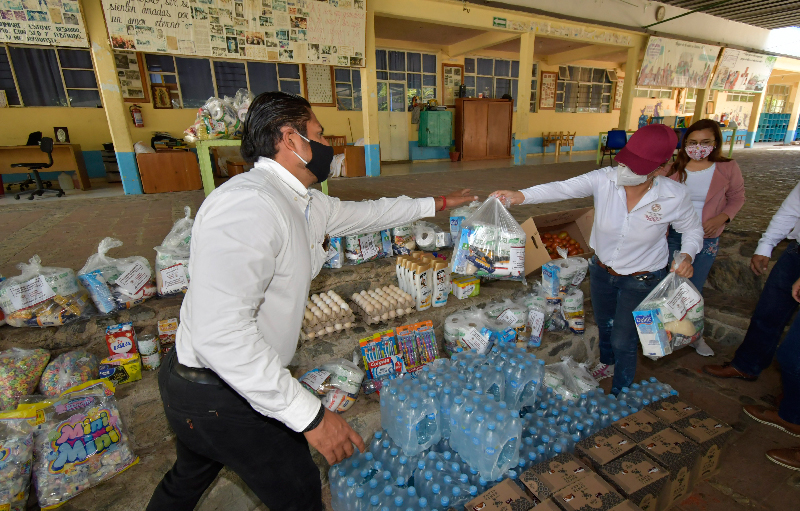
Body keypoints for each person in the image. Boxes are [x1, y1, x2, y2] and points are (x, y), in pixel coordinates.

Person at [146, 92, 478, 511]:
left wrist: (442, 203)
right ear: (290, 140)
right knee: (300, 491)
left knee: (187, 479)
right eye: (318, 135)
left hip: (217, 390)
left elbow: (374, 213)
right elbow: (221, 334)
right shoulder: (249, 205)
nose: (327, 147)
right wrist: (313, 418)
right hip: (221, 393)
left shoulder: (304, 202)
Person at [491, 124, 703, 395]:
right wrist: (521, 196)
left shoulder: (675, 196)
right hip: (602, 270)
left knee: (623, 338)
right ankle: (607, 363)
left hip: (642, 278)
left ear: (660, 168)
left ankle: (620, 392)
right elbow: (563, 188)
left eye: (637, 167)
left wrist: (687, 254)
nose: (625, 170)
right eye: (626, 162)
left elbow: (692, 230)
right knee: (605, 324)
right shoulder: (606, 178)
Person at [703, 182, 800, 470]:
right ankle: (750, 368)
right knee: (768, 314)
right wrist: (766, 244)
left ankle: (793, 412)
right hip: (796, 252)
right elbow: (790, 210)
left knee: (793, 356)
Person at [663, 119, 746, 356]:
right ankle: (667, 332)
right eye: (692, 142)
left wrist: (722, 218)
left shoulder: (727, 167)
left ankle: (695, 336)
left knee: (694, 288)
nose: (698, 147)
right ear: (684, 144)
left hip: (708, 236)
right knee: (670, 285)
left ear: (716, 143)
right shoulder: (675, 167)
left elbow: (738, 198)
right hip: (675, 235)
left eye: (705, 142)